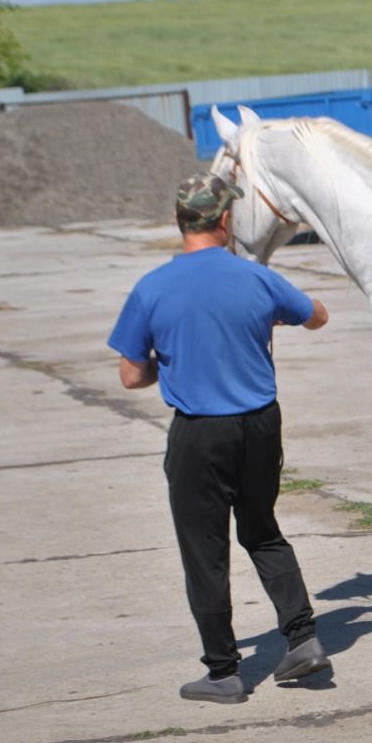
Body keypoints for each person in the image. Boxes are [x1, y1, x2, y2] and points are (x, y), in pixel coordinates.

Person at [110, 172, 332, 704]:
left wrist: (179, 359)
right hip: (259, 425)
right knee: (261, 531)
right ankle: (302, 639)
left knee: (204, 550)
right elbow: (318, 316)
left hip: (198, 435)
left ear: (178, 221)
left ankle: (224, 672)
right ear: (226, 221)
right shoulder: (254, 278)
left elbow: (130, 375)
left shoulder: (152, 287)